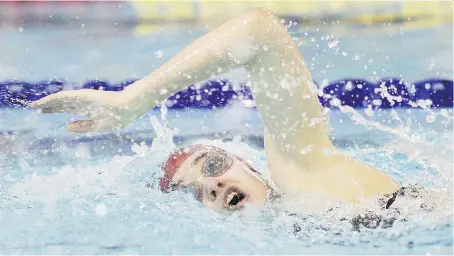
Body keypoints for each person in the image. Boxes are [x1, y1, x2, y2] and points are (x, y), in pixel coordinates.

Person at [31, 8, 400, 213]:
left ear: (252, 167)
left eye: (211, 166)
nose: (212, 184)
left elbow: (259, 32)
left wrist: (134, 99)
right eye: (194, 193)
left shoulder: (304, 175)